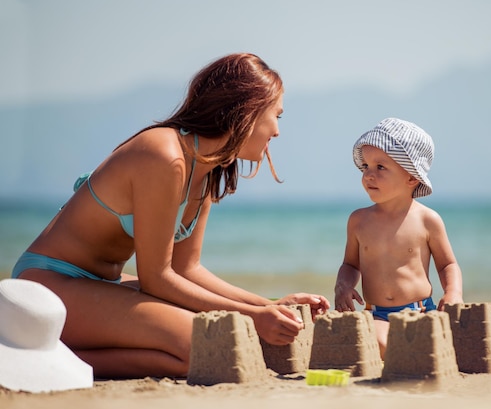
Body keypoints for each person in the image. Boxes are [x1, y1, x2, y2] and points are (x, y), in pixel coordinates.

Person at [11, 52, 329, 379]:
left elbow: (186, 269)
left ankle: (59, 353)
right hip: (49, 285)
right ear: (247, 109)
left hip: (100, 286)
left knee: (220, 339)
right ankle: (41, 357)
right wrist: (255, 314)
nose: (277, 131)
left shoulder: (205, 170)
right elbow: (157, 279)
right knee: (206, 349)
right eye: (276, 114)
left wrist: (269, 305)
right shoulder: (165, 157)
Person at [333, 117, 463, 359]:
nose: (368, 175)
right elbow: (350, 264)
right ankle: (401, 350)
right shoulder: (359, 221)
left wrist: (453, 293)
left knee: (441, 341)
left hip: (421, 311)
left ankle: (410, 350)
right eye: (365, 167)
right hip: (378, 314)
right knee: (367, 339)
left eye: (380, 167)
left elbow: (448, 264)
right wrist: (343, 286)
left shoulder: (427, 220)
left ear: (412, 177)